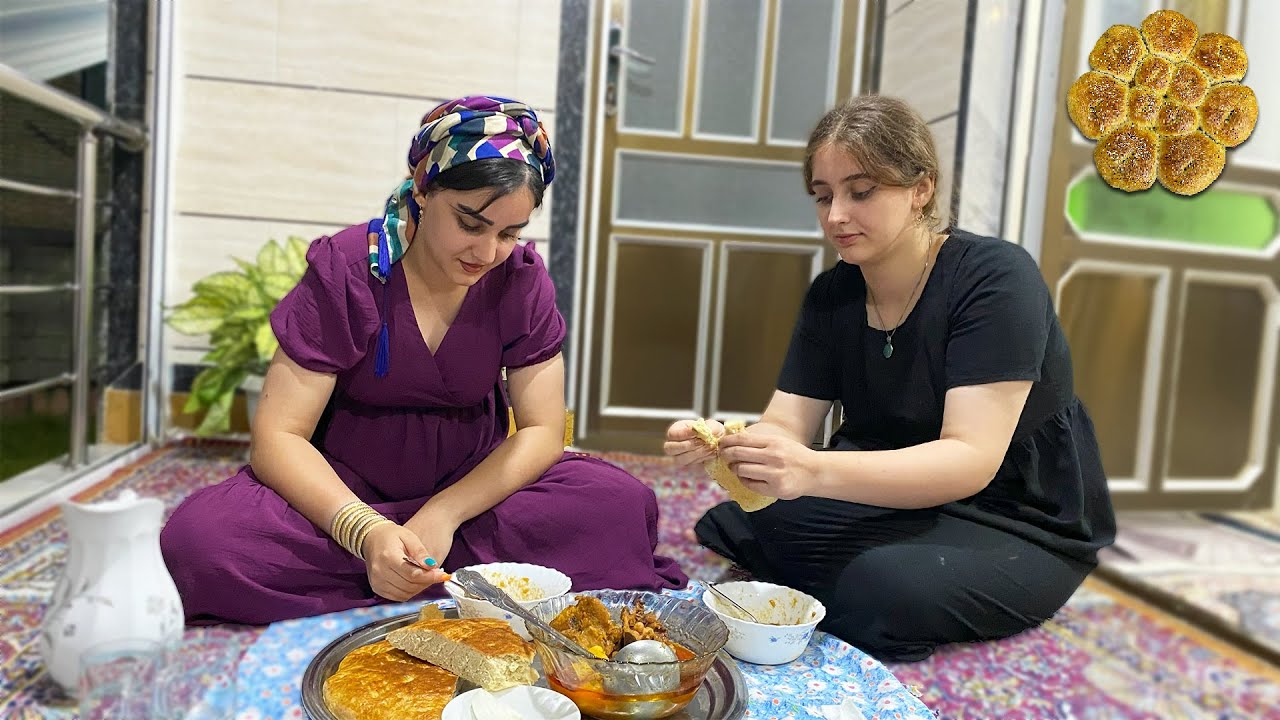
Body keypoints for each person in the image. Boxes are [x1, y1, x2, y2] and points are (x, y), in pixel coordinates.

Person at [162, 96, 686, 625]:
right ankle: (431, 573)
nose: (486, 253)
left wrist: (445, 513)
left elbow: (543, 431)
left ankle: (407, 567)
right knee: (200, 542)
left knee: (621, 506)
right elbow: (279, 436)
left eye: (508, 233)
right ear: (422, 188)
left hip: (471, 490)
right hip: (345, 488)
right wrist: (364, 532)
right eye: (470, 223)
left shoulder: (521, 278)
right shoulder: (349, 267)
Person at [664, 95, 1115, 662]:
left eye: (862, 191)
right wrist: (737, 446)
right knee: (742, 517)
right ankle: (852, 575)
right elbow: (788, 420)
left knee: (881, 588)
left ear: (921, 188)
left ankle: (872, 584)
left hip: (1012, 514)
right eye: (823, 196)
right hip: (888, 490)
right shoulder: (835, 291)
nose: (836, 216)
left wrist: (811, 470)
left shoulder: (997, 279)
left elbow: (970, 459)